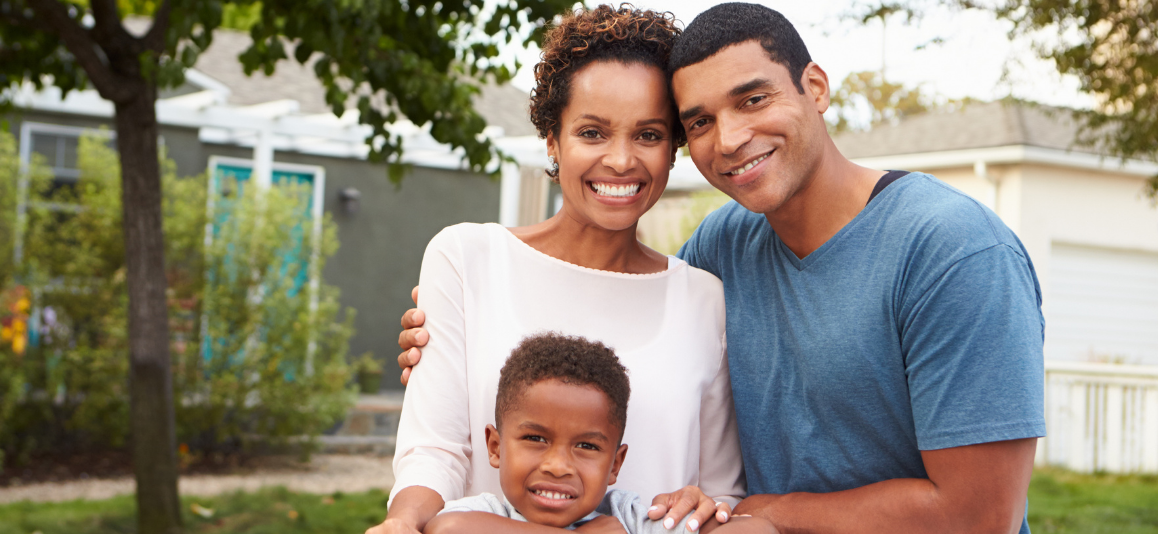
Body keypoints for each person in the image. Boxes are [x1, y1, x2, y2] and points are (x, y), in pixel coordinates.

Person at [397, 3, 1047, 533]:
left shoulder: (956, 252)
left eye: (753, 99)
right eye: (701, 120)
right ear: (552, 140)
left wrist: (761, 511)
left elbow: (978, 516)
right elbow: (622, 343)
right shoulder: (723, 251)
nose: (730, 138)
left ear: (815, 88)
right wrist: (453, 348)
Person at [368, 5, 745, 534]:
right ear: (553, 140)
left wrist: (703, 503)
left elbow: (723, 488)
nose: (620, 160)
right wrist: (404, 523)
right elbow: (436, 447)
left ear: (673, 149)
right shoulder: (466, 259)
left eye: (648, 134)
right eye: (592, 133)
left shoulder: (706, 299)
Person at [425, 333, 774, 534]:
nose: (558, 465)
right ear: (496, 446)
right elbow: (447, 529)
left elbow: (758, 531)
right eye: (536, 438)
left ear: (614, 465)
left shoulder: (628, 520)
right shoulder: (489, 516)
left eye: (587, 446)